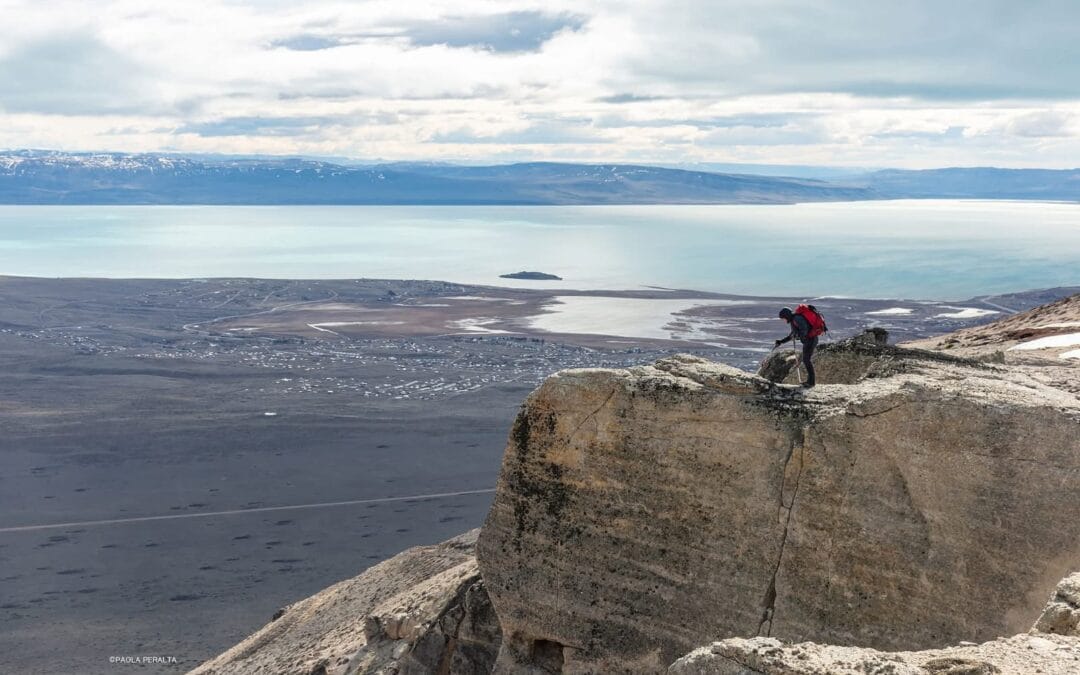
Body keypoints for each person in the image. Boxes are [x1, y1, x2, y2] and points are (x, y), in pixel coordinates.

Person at [774, 307, 817, 388]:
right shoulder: (793, 320)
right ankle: (810, 381)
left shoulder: (797, 319)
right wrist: (781, 341)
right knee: (806, 360)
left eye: (783, 318)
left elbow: (804, 330)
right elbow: (792, 335)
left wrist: (797, 336)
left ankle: (811, 382)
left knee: (806, 360)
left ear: (786, 316)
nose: (784, 320)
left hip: (811, 340)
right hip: (809, 340)